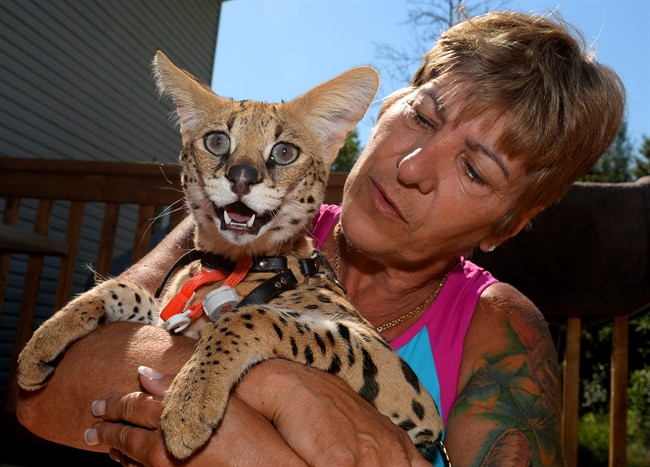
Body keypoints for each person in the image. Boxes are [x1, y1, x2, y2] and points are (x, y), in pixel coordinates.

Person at [15, 10, 624, 466]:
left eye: (473, 169)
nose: (411, 165)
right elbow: (42, 393)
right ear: (386, 106)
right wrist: (279, 386)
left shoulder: (500, 331)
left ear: (508, 226)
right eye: (423, 115)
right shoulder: (239, 225)